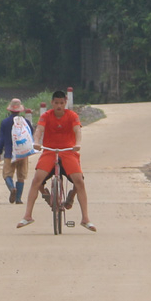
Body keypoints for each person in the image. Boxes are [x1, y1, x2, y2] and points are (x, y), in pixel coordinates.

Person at [21, 88, 94, 231]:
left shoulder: (72, 115)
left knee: (79, 180)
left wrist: (77, 144)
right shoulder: (46, 116)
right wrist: (36, 142)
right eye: (56, 103)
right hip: (49, 151)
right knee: (37, 180)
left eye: (61, 103)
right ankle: (28, 215)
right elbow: (39, 130)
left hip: (68, 151)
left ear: (65, 102)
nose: (59, 106)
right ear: (52, 103)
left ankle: (85, 218)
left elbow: (77, 131)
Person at [0, 98, 35, 204]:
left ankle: (12, 188)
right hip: (23, 153)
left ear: (10, 110)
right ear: (20, 110)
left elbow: (1, 139)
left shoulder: (5, 122)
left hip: (9, 153)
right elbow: (31, 135)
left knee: (7, 175)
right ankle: (18, 199)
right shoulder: (25, 122)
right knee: (21, 176)